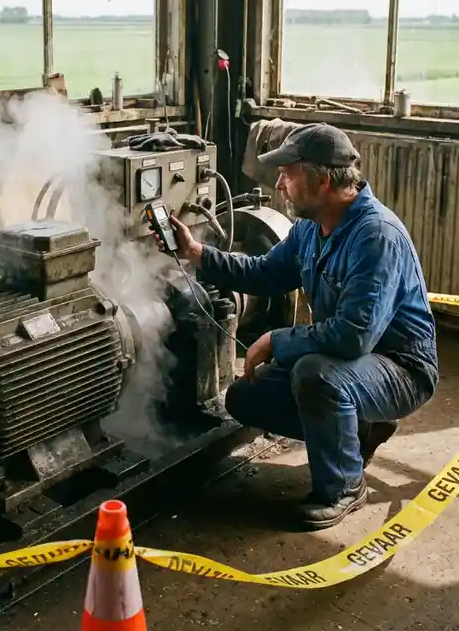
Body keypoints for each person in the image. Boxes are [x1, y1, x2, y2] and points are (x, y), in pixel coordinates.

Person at [150, 123, 439, 530]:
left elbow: (353, 336)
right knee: (245, 399)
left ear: (322, 180)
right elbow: (265, 274)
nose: (280, 184)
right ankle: (359, 427)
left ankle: (344, 487)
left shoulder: (376, 236)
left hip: (401, 368)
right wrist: (196, 252)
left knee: (316, 376)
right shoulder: (310, 228)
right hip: (350, 361)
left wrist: (275, 339)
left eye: (288, 173)